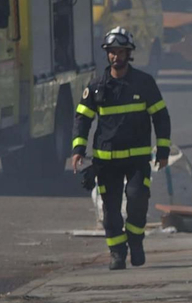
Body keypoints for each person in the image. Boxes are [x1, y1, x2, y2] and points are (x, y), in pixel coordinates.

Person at [71, 27, 172, 271]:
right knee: (111, 211)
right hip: (106, 162)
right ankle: (117, 253)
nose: (116, 57)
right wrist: (78, 149)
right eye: (112, 52)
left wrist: (163, 151)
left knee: (138, 201)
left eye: (120, 52)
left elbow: (161, 117)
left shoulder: (144, 83)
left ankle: (136, 243)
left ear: (129, 53)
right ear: (107, 55)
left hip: (137, 160)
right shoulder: (96, 86)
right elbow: (82, 118)